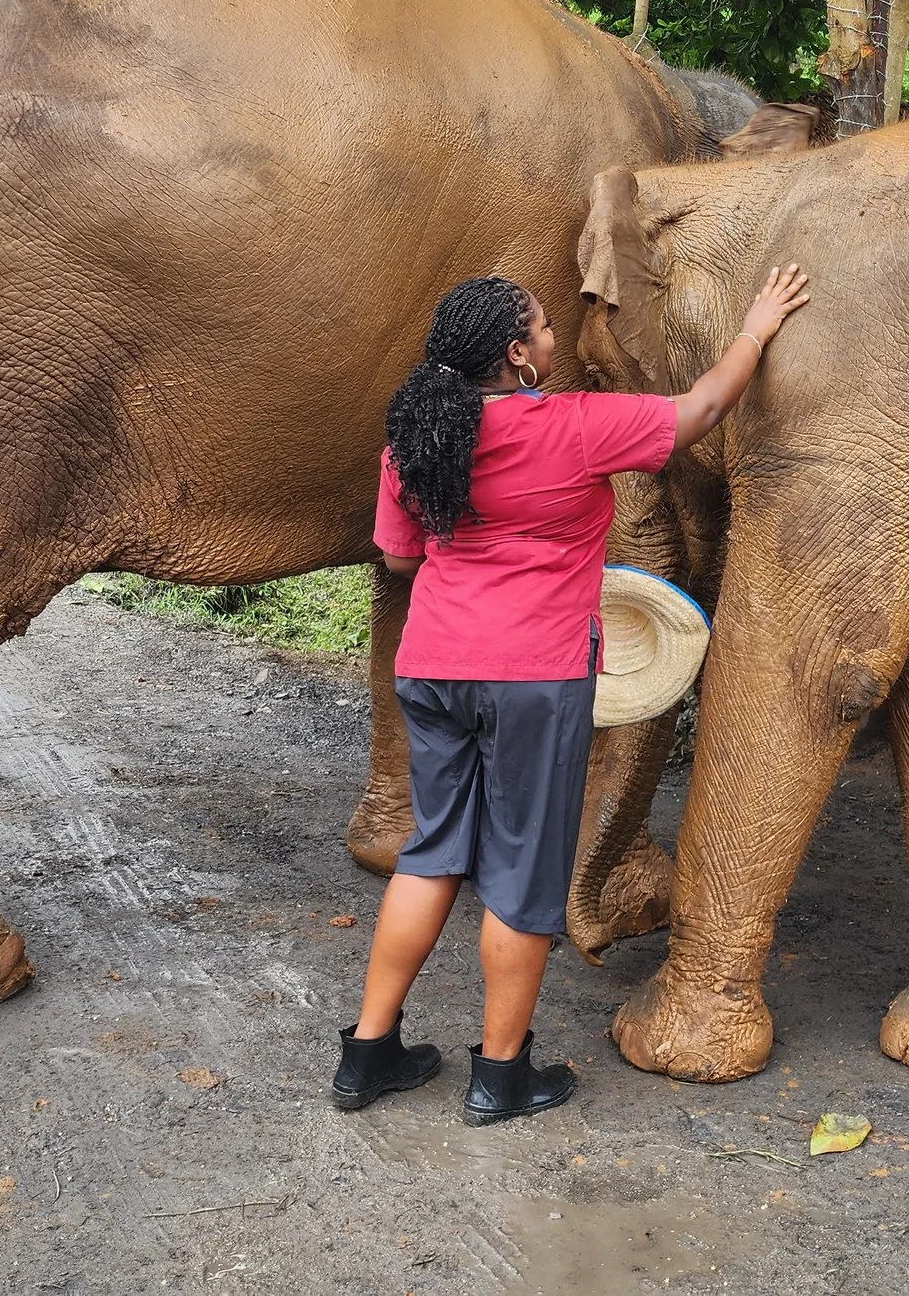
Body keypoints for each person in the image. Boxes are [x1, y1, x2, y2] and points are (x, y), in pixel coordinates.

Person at [332, 263, 811, 1124]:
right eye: (544, 331)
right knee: (519, 873)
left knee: (433, 849)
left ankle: (367, 1055)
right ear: (517, 355)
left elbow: (400, 558)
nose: (555, 341)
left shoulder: (415, 439)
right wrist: (757, 327)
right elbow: (700, 410)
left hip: (434, 663)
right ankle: (502, 1074)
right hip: (532, 676)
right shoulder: (576, 427)